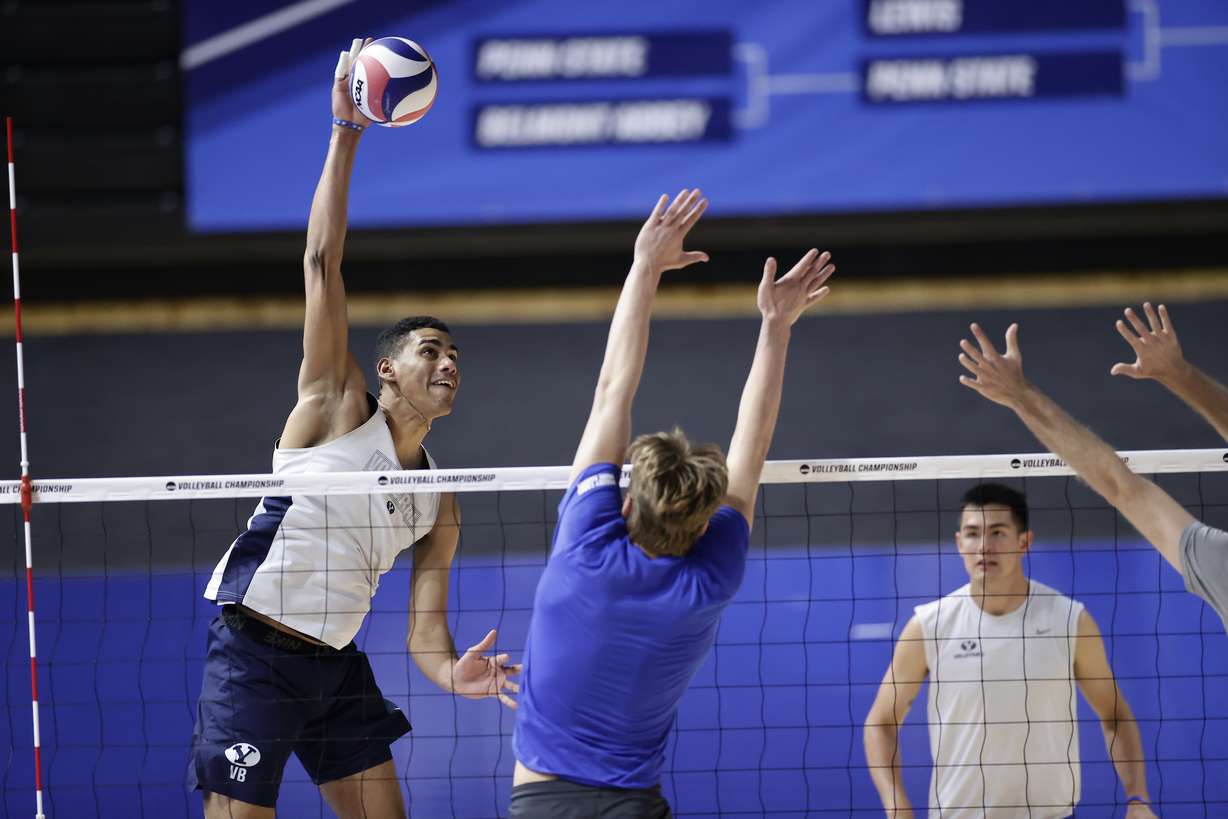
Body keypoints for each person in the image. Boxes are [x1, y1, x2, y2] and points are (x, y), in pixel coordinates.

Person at [187, 40, 517, 819]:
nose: (448, 365)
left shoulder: (441, 500)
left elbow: (424, 634)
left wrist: (451, 676)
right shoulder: (337, 402)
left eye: (456, 357)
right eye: (430, 351)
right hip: (255, 652)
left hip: (336, 666)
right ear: (390, 370)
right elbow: (320, 262)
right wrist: (346, 133)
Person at [508, 189, 835, 817]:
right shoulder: (712, 577)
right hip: (636, 804)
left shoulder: (588, 545)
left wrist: (645, 266)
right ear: (705, 518)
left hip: (542, 803)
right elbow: (754, 442)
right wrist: (775, 326)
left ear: (626, 505)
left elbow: (613, 389)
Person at [864, 484, 1156, 819]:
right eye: (973, 534)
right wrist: (896, 802)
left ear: (1024, 542)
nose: (984, 547)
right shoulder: (929, 626)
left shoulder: (1069, 620)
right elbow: (880, 722)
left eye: (998, 533)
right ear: (959, 543)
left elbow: (1115, 714)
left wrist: (1137, 799)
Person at [957, 311, 1226, 631]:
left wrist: (1022, 397)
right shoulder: (1218, 560)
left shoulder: (1219, 562)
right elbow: (1119, 485)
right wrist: (1178, 374)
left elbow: (1119, 486)